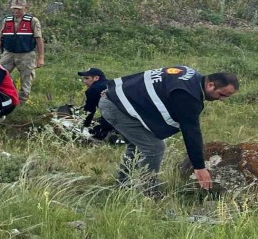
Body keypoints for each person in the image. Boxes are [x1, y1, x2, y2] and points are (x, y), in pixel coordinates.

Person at [98, 66, 239, 197]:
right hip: (117, 107)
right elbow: (191, 131)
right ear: (210, 85)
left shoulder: (189, 73)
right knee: (154, 147)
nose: (222, 100)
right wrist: (199, 167)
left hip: (117, 100)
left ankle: (122, 184)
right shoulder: (188, 95)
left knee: (137, 145)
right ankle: (150, 192)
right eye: (222, 95)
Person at [0, 0, 45, 101]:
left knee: (26, 77)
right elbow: (1, 38)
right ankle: (2, 95)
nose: (16, 11)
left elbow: (39, 39)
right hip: (8, 53)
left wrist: (41, 57)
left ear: (25, 8)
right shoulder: (6, 20)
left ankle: (23, 100)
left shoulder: (33, 21)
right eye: (14, 8)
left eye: (19, 9)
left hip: (26, 54)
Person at [77, 67, 115, 140]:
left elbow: (89, 110)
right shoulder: (112, 84)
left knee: (94, 131)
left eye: (87, 78)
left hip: (114, 118)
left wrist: (85, 125)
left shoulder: (93, 89)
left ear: (96, 78)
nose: (84, 81)